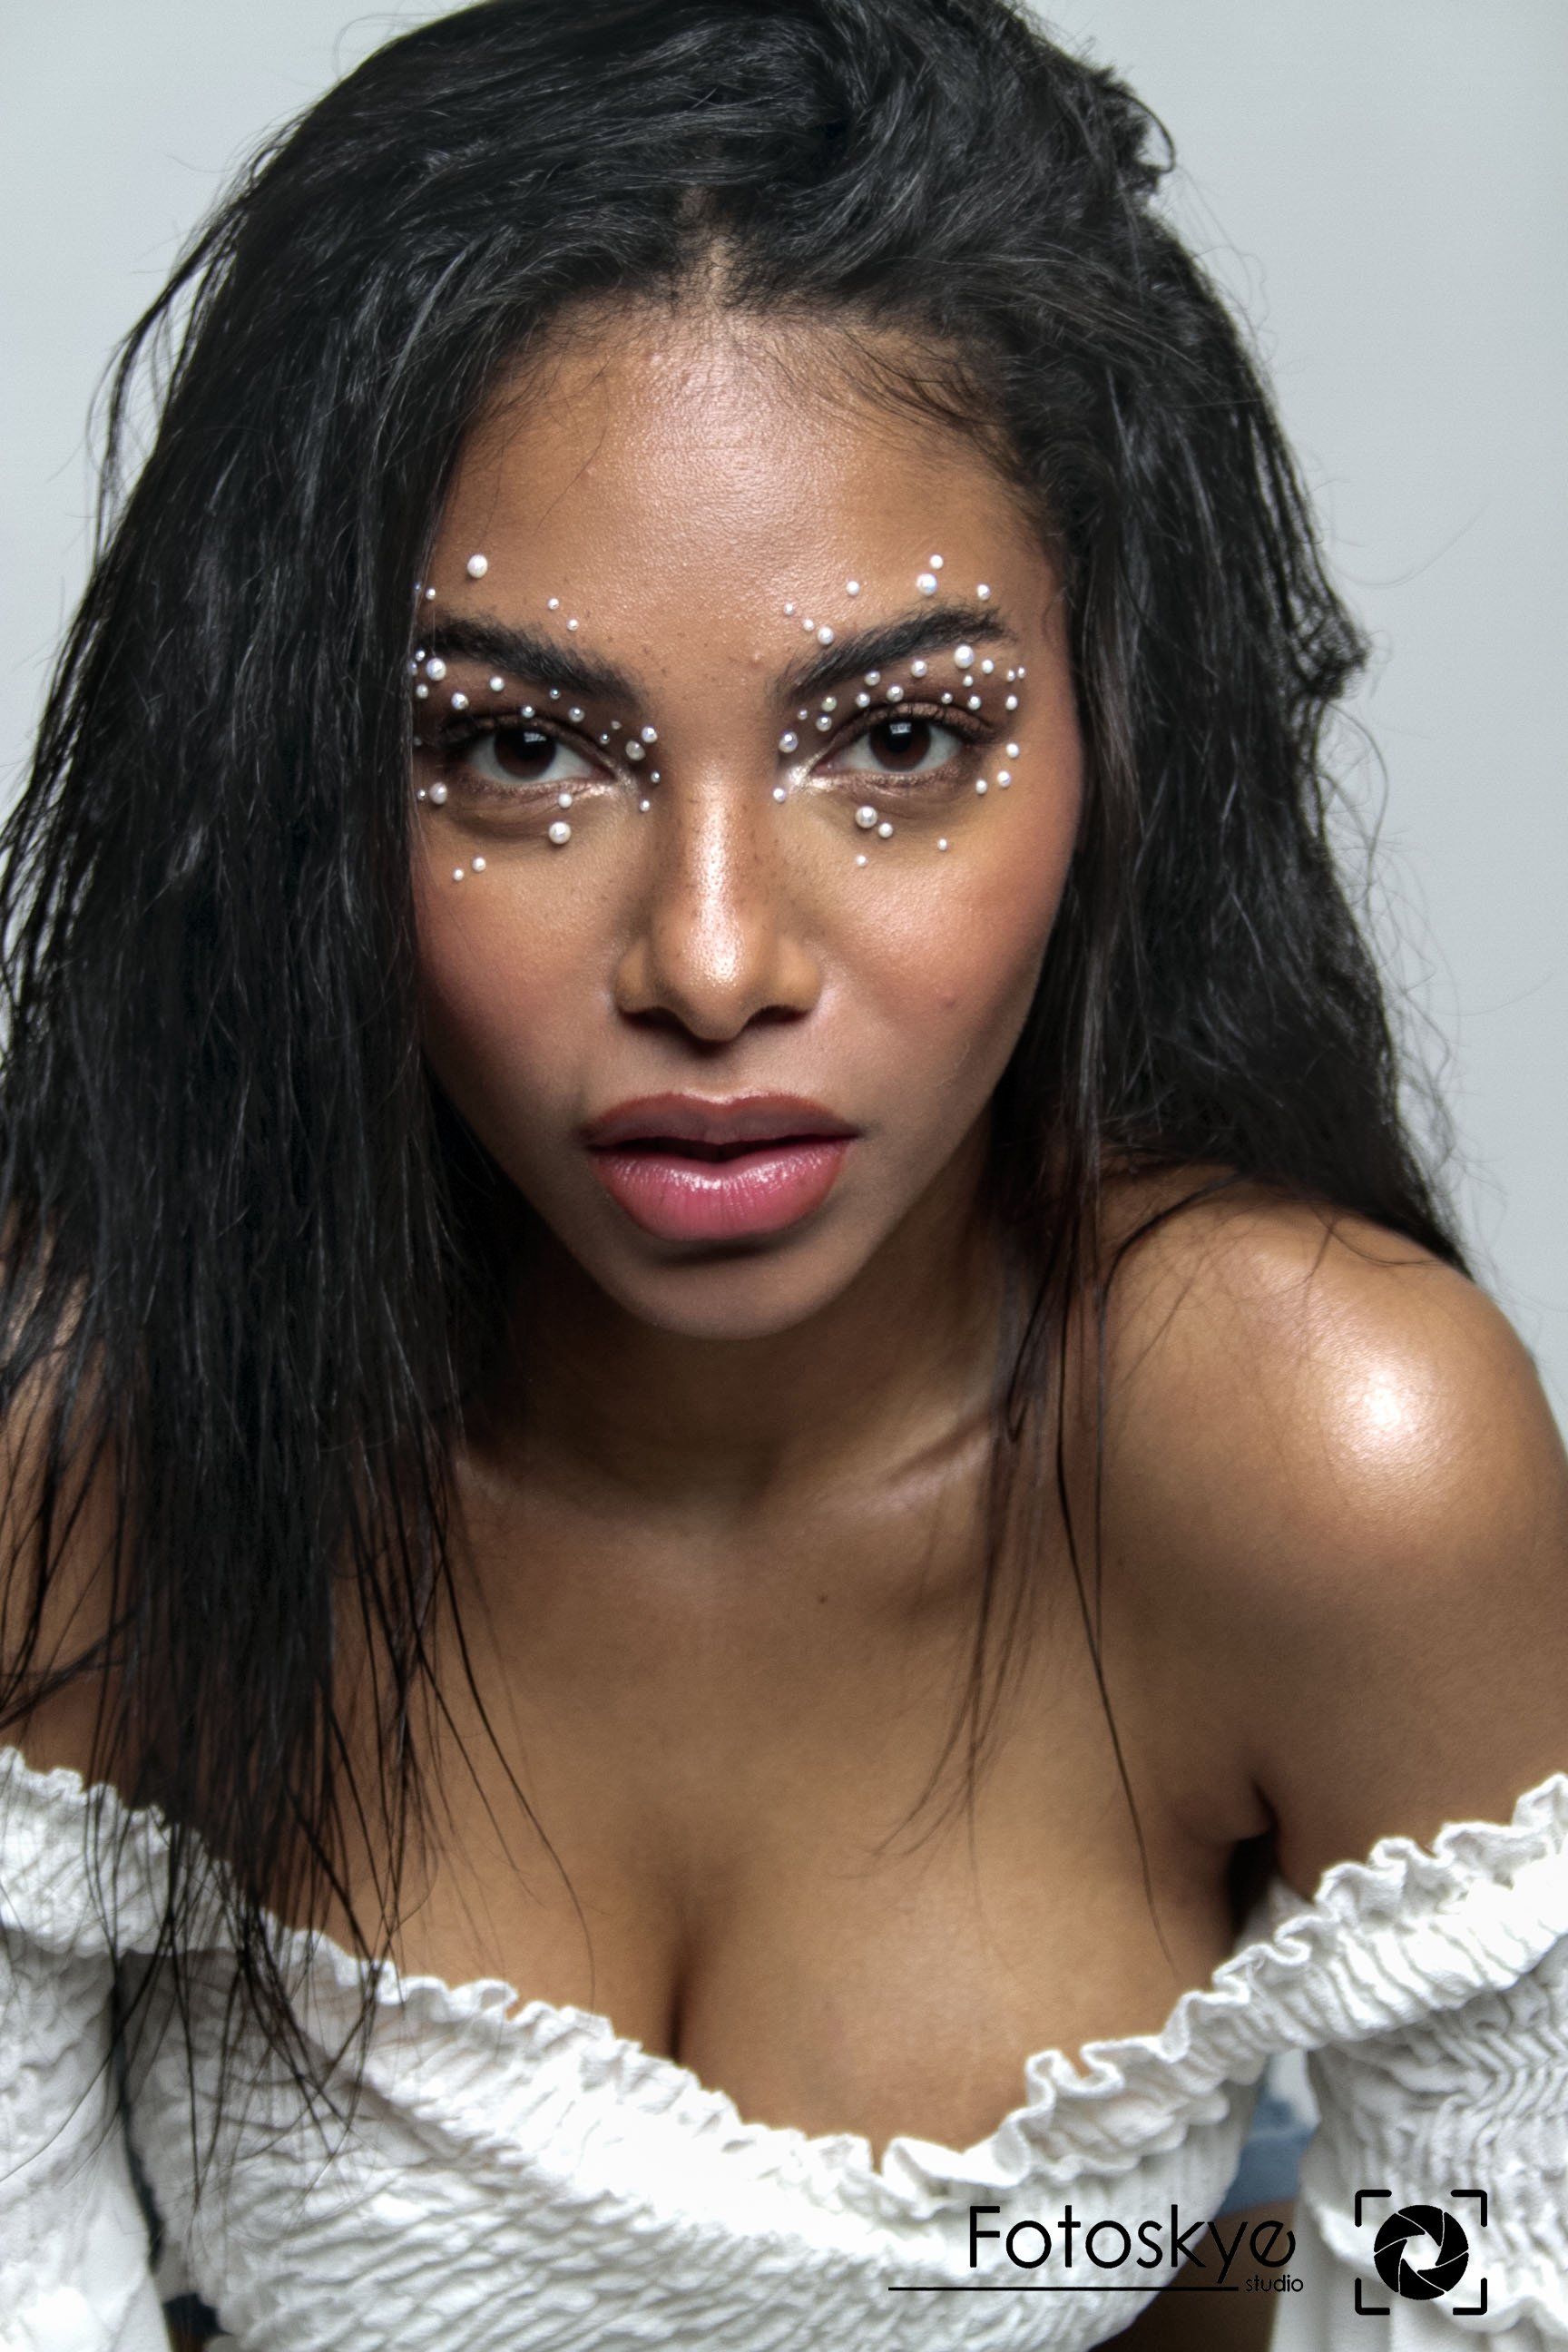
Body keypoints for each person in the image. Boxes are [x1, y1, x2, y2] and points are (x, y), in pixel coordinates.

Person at [2, 2, 1565, 2346]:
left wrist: (1141, 2258)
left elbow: (1458, 2277)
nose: (715, 962)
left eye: (902, 736)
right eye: (517, 750)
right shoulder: (90, 1437)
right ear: (302, 767)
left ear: (1116, 733)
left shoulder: (1332, 1462)